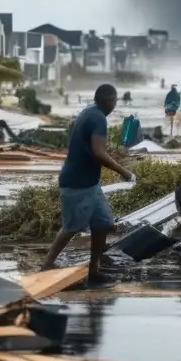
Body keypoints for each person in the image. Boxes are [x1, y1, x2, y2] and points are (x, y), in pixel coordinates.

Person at [41, 84, 135, 283]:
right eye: (115, 100)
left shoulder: (90, 112)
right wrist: (124, 172)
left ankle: (94, 270)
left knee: (103, 224)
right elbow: (98, 152)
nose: (115, 104)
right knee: (71, 227)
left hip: (90, 183)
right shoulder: (98, 118)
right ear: (109, 101)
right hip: (77, 183)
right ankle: (47, 264)